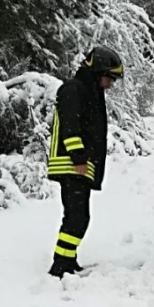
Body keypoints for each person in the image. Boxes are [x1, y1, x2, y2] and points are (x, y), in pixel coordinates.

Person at [46, 46, 124, 277]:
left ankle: (68, 260)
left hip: (79, 164)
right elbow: (71, 127)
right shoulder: (74, 90)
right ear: (98, 71)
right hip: (70, 164)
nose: (110, 84)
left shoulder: (88, 91)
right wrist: (79, 157)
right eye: (109, 78)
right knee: (77, 216)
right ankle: (60, 265)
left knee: (78, 216)